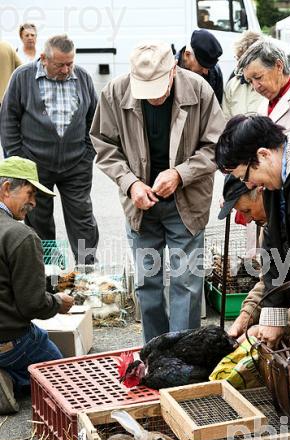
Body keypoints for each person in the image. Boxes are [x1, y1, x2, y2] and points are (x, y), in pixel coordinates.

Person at [90, 42, 224, 342]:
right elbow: (103, 144)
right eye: (144, 90)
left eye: (158, 89)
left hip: (186, 203)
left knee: (187, 284)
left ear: (173, 70)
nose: (152, 97)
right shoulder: (114, 92)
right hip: (140, 204)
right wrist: (130, 182)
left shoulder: (200, 91)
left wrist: (180, 174)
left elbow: (217, 146)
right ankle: (155, 352)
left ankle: (181, 356)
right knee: (146, 285)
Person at [218, 169, 290, 408]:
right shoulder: (271, 230)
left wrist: (269, 325)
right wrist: (246, 316)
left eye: (246, 211)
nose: (245, 220)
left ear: (261, 190)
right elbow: (269, 282)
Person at [0, 34, 99, 265]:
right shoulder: (22, 77)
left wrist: (87, 155)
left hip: (76, 165)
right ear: (43, 58)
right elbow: (8, 120)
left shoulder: (82, 77)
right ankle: (50, 273)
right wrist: (20, 162)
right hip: (35, 168)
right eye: (60, 64)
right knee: (39, 220)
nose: (66, 70)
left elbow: (94, 121)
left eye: (70, 63)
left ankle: (88, 270)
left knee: (82, 221)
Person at [0, 156, 74, 415]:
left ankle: (12, 377)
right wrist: (58, 303)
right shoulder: (21, 235)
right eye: (30, 193)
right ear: (7, 188)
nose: (33, 202)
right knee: (62, 379)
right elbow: (32, 304)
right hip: (9, 340)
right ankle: (15, 377)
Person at [237, 39, 290, 130]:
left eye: (258, 77)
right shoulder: (263, 105)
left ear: (279, 66)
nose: (255, 86)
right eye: (250, 81)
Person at [222, 30, 265, 121]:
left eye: (243, 62)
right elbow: (225, 119)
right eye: (238, 59)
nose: (239, 66)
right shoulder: (232, 85)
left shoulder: (270, 83)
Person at [176, 29, 224, 105]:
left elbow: (217, 105)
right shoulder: (171, 71)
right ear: (187, 54)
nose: (206, 72)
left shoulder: (215, 70)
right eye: (202, 66)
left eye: (209, 67)